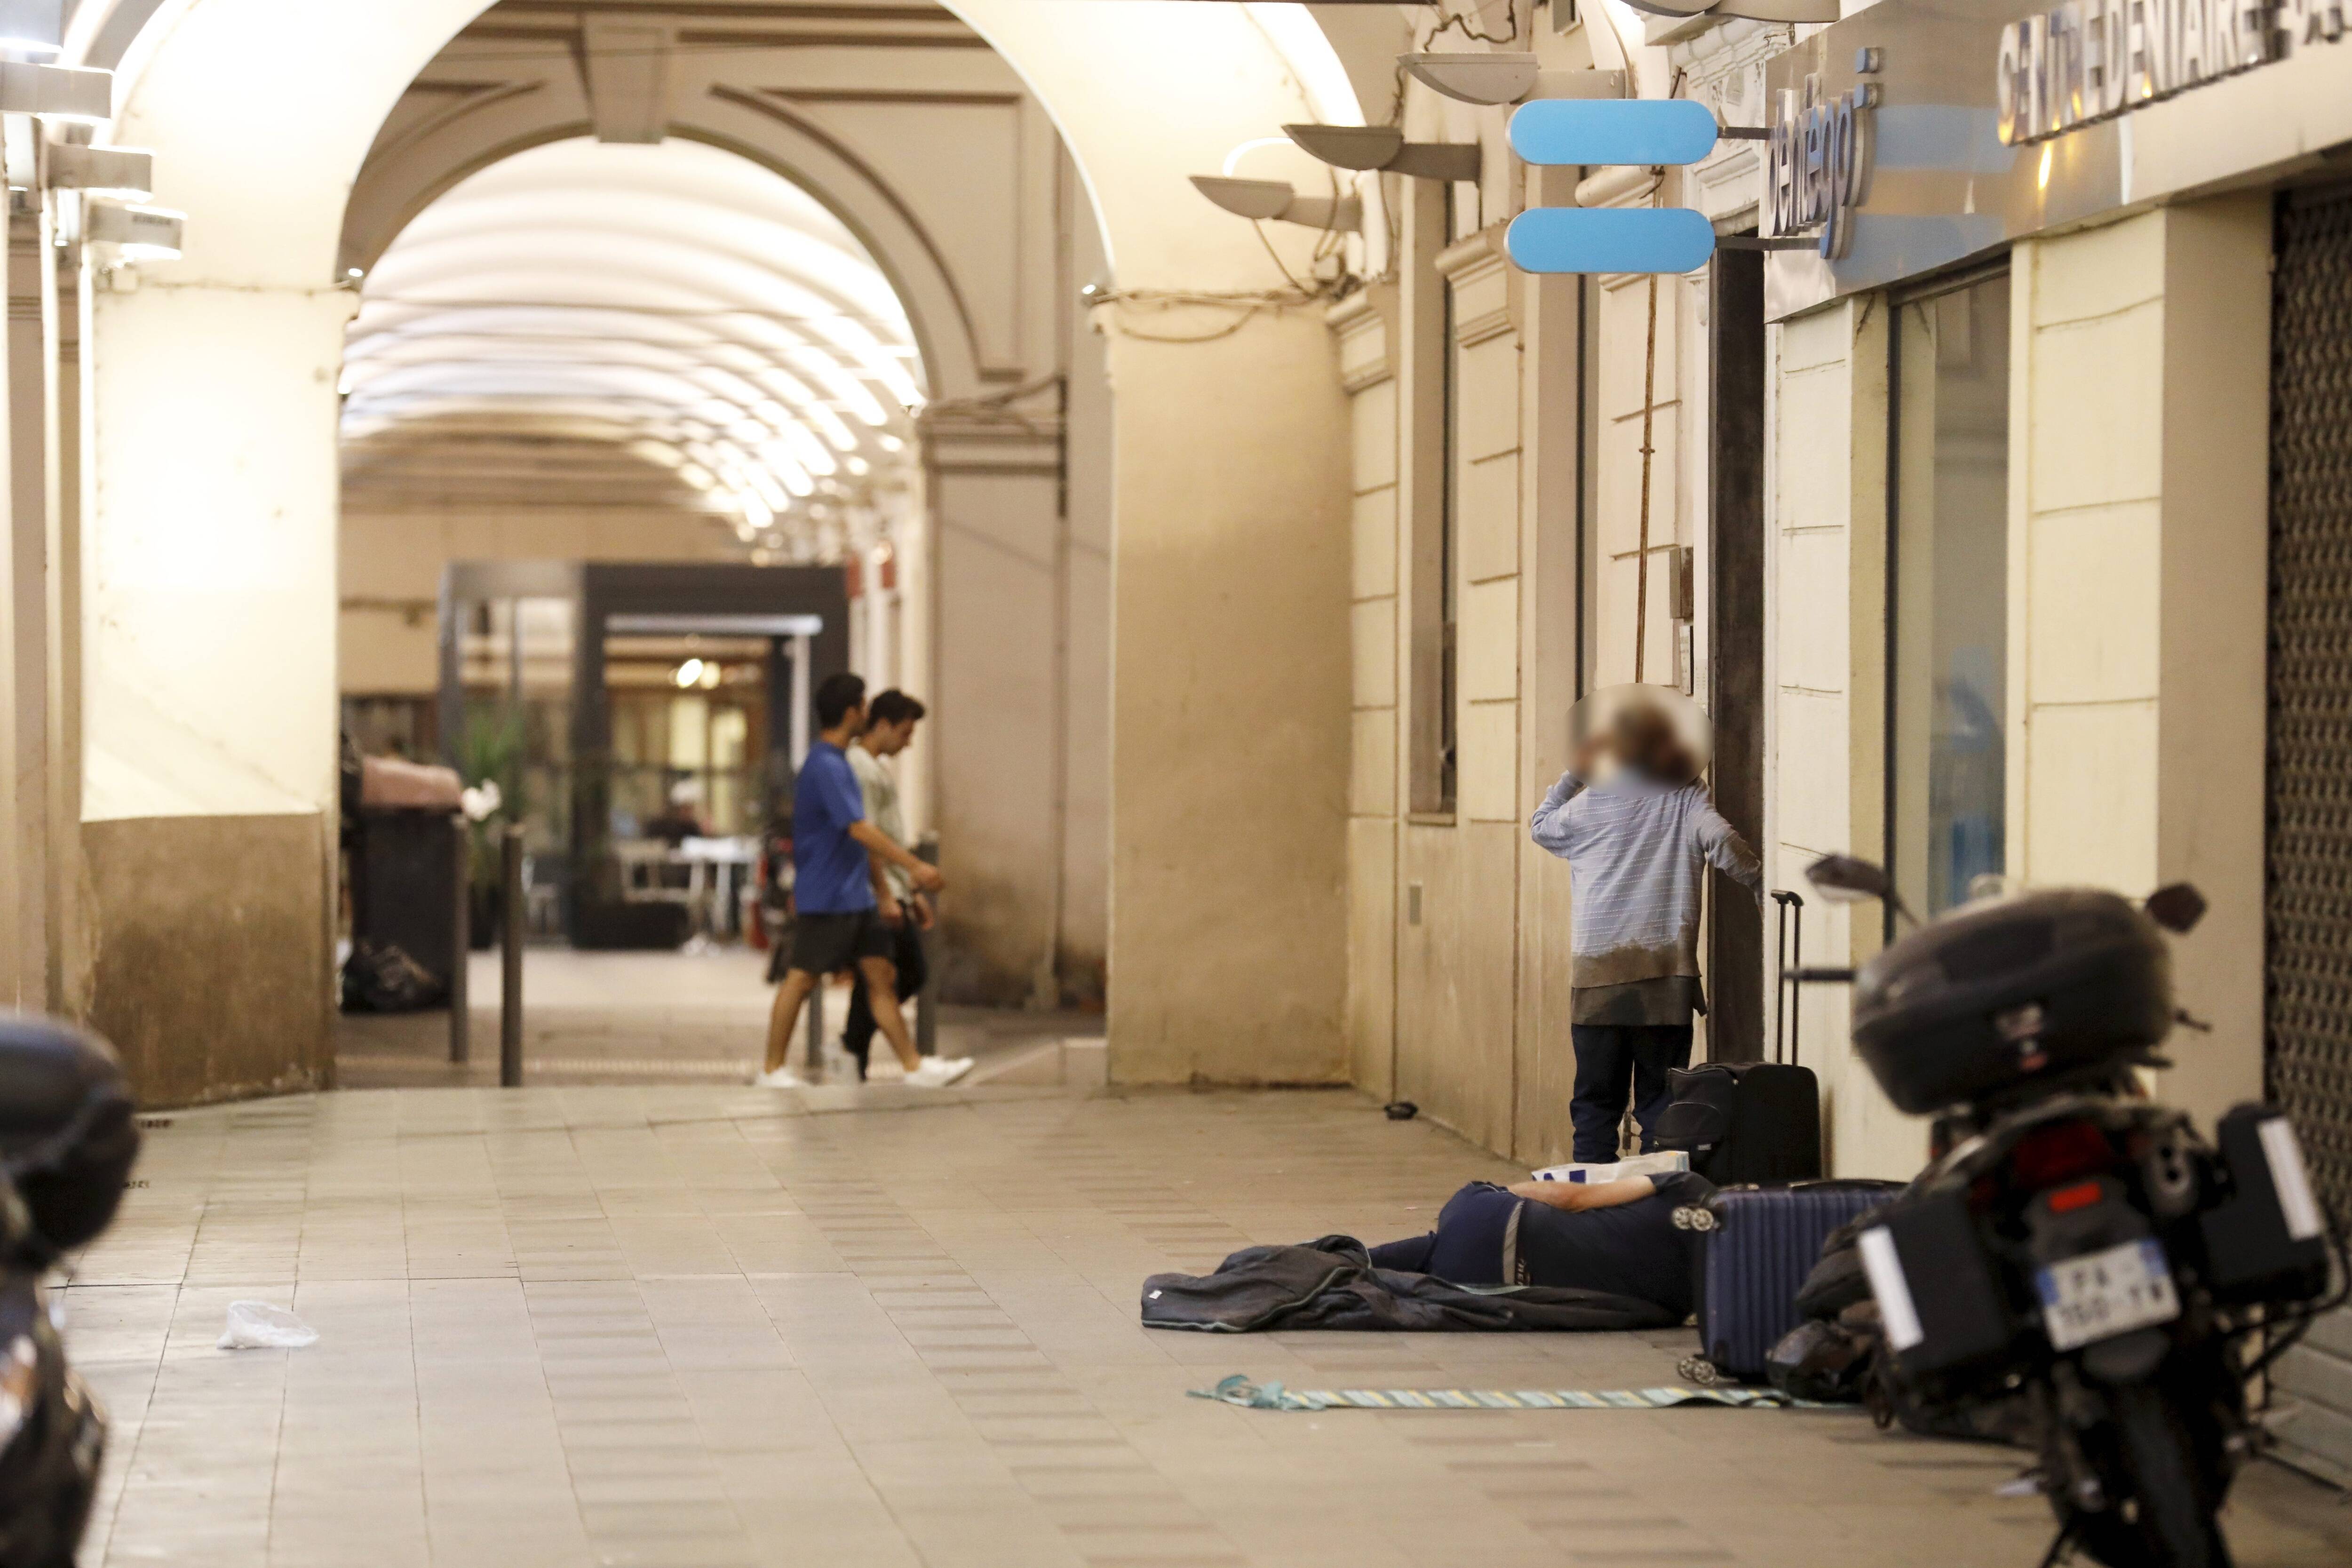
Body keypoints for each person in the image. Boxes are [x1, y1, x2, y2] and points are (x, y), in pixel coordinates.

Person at [1530, 696, 1763, 1163]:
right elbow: (1721, 840)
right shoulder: (1686, 797)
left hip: (1597, 975)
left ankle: (1593, 1198)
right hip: (1665, 979)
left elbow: (1541, 827)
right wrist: (1759, 881)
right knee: (1661, 1104)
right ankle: (1656, 1194)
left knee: (1595, 1104)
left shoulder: (1593, 800)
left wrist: (1576, 774)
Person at [760, 673, 970, 1088]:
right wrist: (914, 867)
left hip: (856, 896)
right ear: (850, 712)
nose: (867, 714)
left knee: (882, 978)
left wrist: (885, 890)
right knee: (801, 978)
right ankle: (772, 1069)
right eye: (863, 706)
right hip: (828, 895)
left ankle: (914, 1067)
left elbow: (861, 837)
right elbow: (859, 828)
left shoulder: (839, 763)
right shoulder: (826, 765)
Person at [1366, 1171, 1708, 1315]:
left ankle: (1355, 1255)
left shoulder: (1689, 1189)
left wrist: (1500, 1192)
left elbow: (1571, 1198)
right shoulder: (1699, 1302)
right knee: (1444, 1251)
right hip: (1496, 1285)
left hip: (1501, 1220)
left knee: (1455, 1232)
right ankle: (1361, 1268)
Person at [841, 689, 932, 1079]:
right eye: (905, 733)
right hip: (877, 891)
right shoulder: (861, 770)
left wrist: (910, 892)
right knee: (897, 974)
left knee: (882, 977)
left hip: (891, 888)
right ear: (882, 725)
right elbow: (868, 836)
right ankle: (855, 1050)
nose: (908, 743)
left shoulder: (873, 768)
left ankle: (852, 1054)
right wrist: (885, 893)